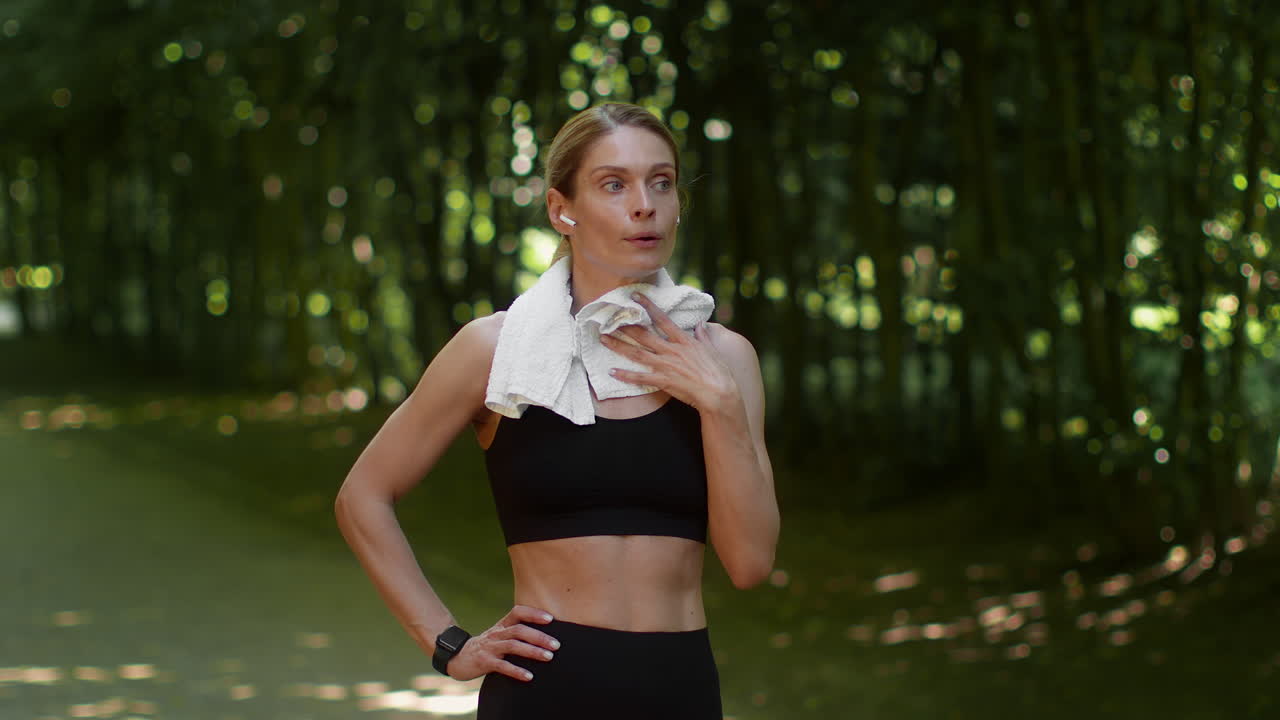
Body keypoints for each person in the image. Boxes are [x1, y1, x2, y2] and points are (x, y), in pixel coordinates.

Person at [335, 102, 779, 719]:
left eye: (661, 182)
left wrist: (720, 405)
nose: (644, 204)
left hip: (680, 692)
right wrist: (447, 643)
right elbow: (363, 496)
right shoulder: (496, 350)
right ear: (560, 209)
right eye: (613, 184)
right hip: (543, 691)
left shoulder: (725, 358)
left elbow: (751, 563)